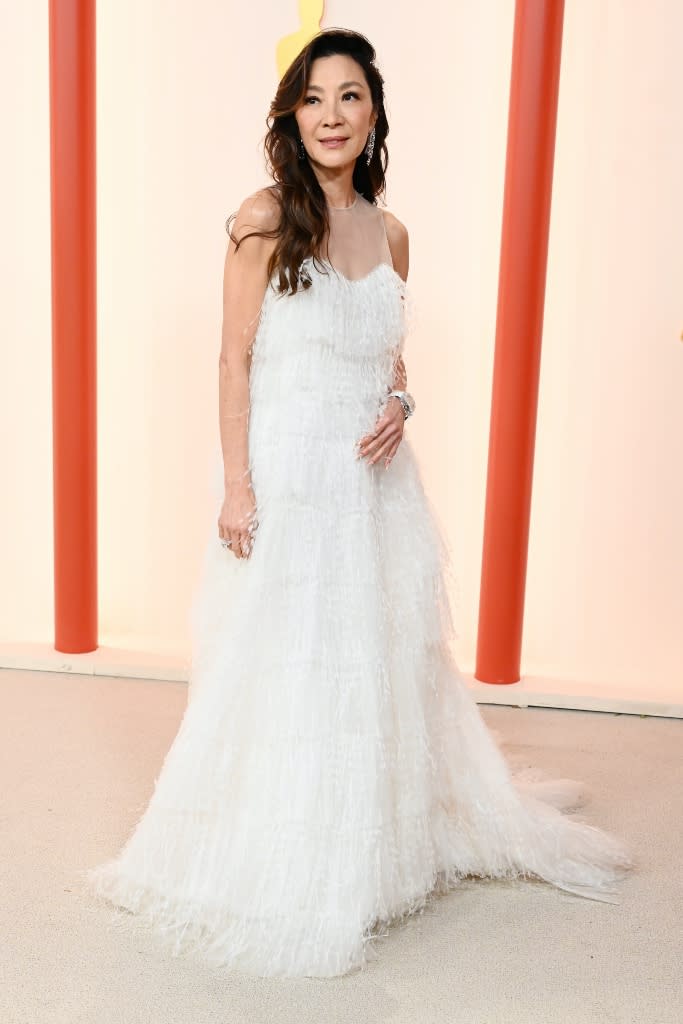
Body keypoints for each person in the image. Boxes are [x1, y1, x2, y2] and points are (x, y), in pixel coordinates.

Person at [85, 27, 634, 979]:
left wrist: (401, 403)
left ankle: (371, 849)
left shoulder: (392, 232)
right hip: (290, 479)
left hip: (376, 487)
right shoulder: (261, 218)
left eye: (349, 97)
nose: (331, 115)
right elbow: (231, 358)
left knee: (373, 666)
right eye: (313, 98)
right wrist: (238, 484)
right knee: (287, 667)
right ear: (289, 117)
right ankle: (289, 851)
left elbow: (391, 355)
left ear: (372, 113)